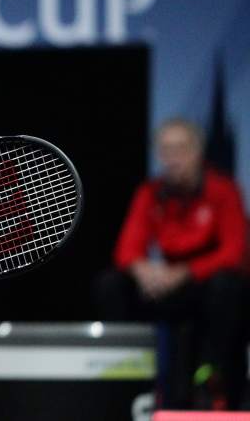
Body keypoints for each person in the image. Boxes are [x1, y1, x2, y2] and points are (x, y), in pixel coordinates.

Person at [95, 118, 248, 410]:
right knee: (111, 285)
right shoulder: (149, 192)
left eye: (181, 149)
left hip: (206, 286)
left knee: (227, 287)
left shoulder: (223, 190)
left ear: (198, 152)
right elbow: (127, 249)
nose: (173, 158)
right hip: (165, 285)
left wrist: (186, 272)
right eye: (165, 150)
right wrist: (143, 271)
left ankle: (217, 386)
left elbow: (234, 252)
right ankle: (124, 377)